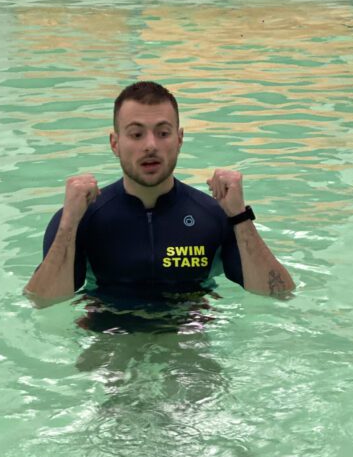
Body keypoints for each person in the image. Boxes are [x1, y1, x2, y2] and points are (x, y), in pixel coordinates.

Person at [24, 81, 295, 308]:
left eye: (163, 133)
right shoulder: (83, 217)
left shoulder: (214, 216)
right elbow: (42, 302)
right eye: (136, 134)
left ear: (179, 140)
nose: (150, 145)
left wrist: (240, 217)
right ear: (115, 143)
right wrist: (69, 223)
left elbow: (279, 294)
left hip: (188, 338)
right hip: (110, 338)